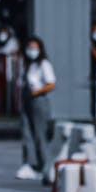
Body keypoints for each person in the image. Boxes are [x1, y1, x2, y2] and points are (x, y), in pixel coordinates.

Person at [16, 36, 55, 181]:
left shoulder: (43, 64)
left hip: (38, 99)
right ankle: (30, 164)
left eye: (34, 48)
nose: (31, 51)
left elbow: (51, 84)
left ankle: (45, 165)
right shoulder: (27, 64)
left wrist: (36, 91)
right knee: (27, 132)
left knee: (40, 134)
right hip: (26, 99)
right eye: (29, 47)